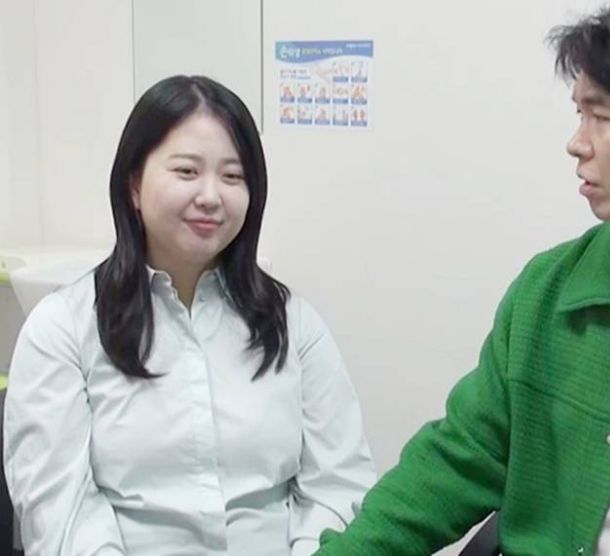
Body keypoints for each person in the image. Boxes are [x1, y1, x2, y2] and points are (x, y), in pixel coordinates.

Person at [315, 0, 610, 554]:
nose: (577, 142)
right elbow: (458, 458)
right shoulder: (550, 292)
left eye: (601, 117)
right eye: (579, 115)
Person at [3, 75, 376, 555]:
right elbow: (63, 516)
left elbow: (338, 484)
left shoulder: (293, 324)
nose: (211, 196)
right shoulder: (63, 329)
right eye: (186, 171)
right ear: (134, 185)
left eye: (232, 176)